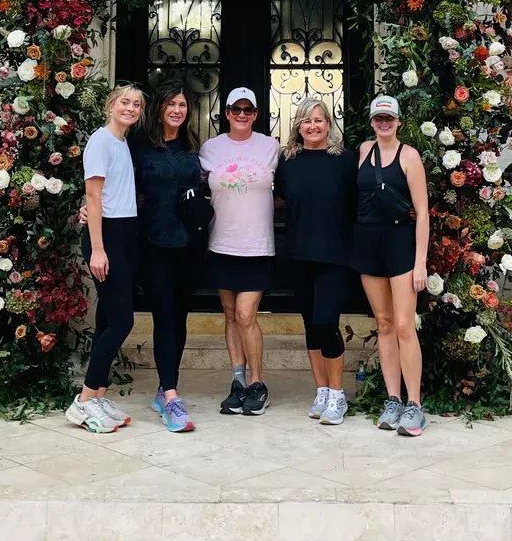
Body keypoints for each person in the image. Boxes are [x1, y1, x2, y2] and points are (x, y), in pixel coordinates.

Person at [65, 84, 144, 434]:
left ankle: (96, 395)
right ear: (111, 105)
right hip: (107, 237)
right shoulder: (100, 140)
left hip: (124, 233)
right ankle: (82, 403)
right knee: (122, 321)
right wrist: (98, 248)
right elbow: (93, 197)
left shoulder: (121, 142)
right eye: (125, 102)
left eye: (137, 104)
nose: (131, 108)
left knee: (107, 320)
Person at [275, 96, 358, 426]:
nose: (313, 126)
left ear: (329, 125)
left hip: (335, 255)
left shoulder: (344, 160)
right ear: (298, 126)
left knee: (326, 322)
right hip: (298, 253)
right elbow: (281, 199)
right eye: (307, 121)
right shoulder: (287, 162)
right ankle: (321, 390)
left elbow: (357, 202)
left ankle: (337, 395)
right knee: (310, 325)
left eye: (319, 120)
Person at [352, 95, 431, 437]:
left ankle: (415, 404)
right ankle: (393, 399)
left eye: (389, 118)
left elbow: (423, 212)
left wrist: (420, 264)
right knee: (383, 323)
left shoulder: (409, 156)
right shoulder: (364, 151)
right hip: (369, 246)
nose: (383, 122)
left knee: (403, 326)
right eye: (378, 118)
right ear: (371, 121)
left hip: (400, 245)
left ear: (398, 121)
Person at [199, 86, 280, 416]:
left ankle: (257, 383)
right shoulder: (209, 148)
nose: (242, 115)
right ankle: (238, 381)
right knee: (231, 315)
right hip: (222, 242)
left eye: (249, 110)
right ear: (227, 113)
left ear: (257, 114)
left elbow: (288, 190)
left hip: (257, 244)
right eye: (236, 109)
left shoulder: (271, 147)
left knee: (248, 315)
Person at [132, 80, 205, 432]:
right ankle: (172, 395)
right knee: (164, 316)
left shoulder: (193, 146)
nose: (177, 110)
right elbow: (117, 184)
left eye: (183, 104)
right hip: (153, 243)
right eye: (171, 103)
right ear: (159, 107)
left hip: (189, 244)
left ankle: (165, 388)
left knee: (180, 317)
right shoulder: (139, 146)